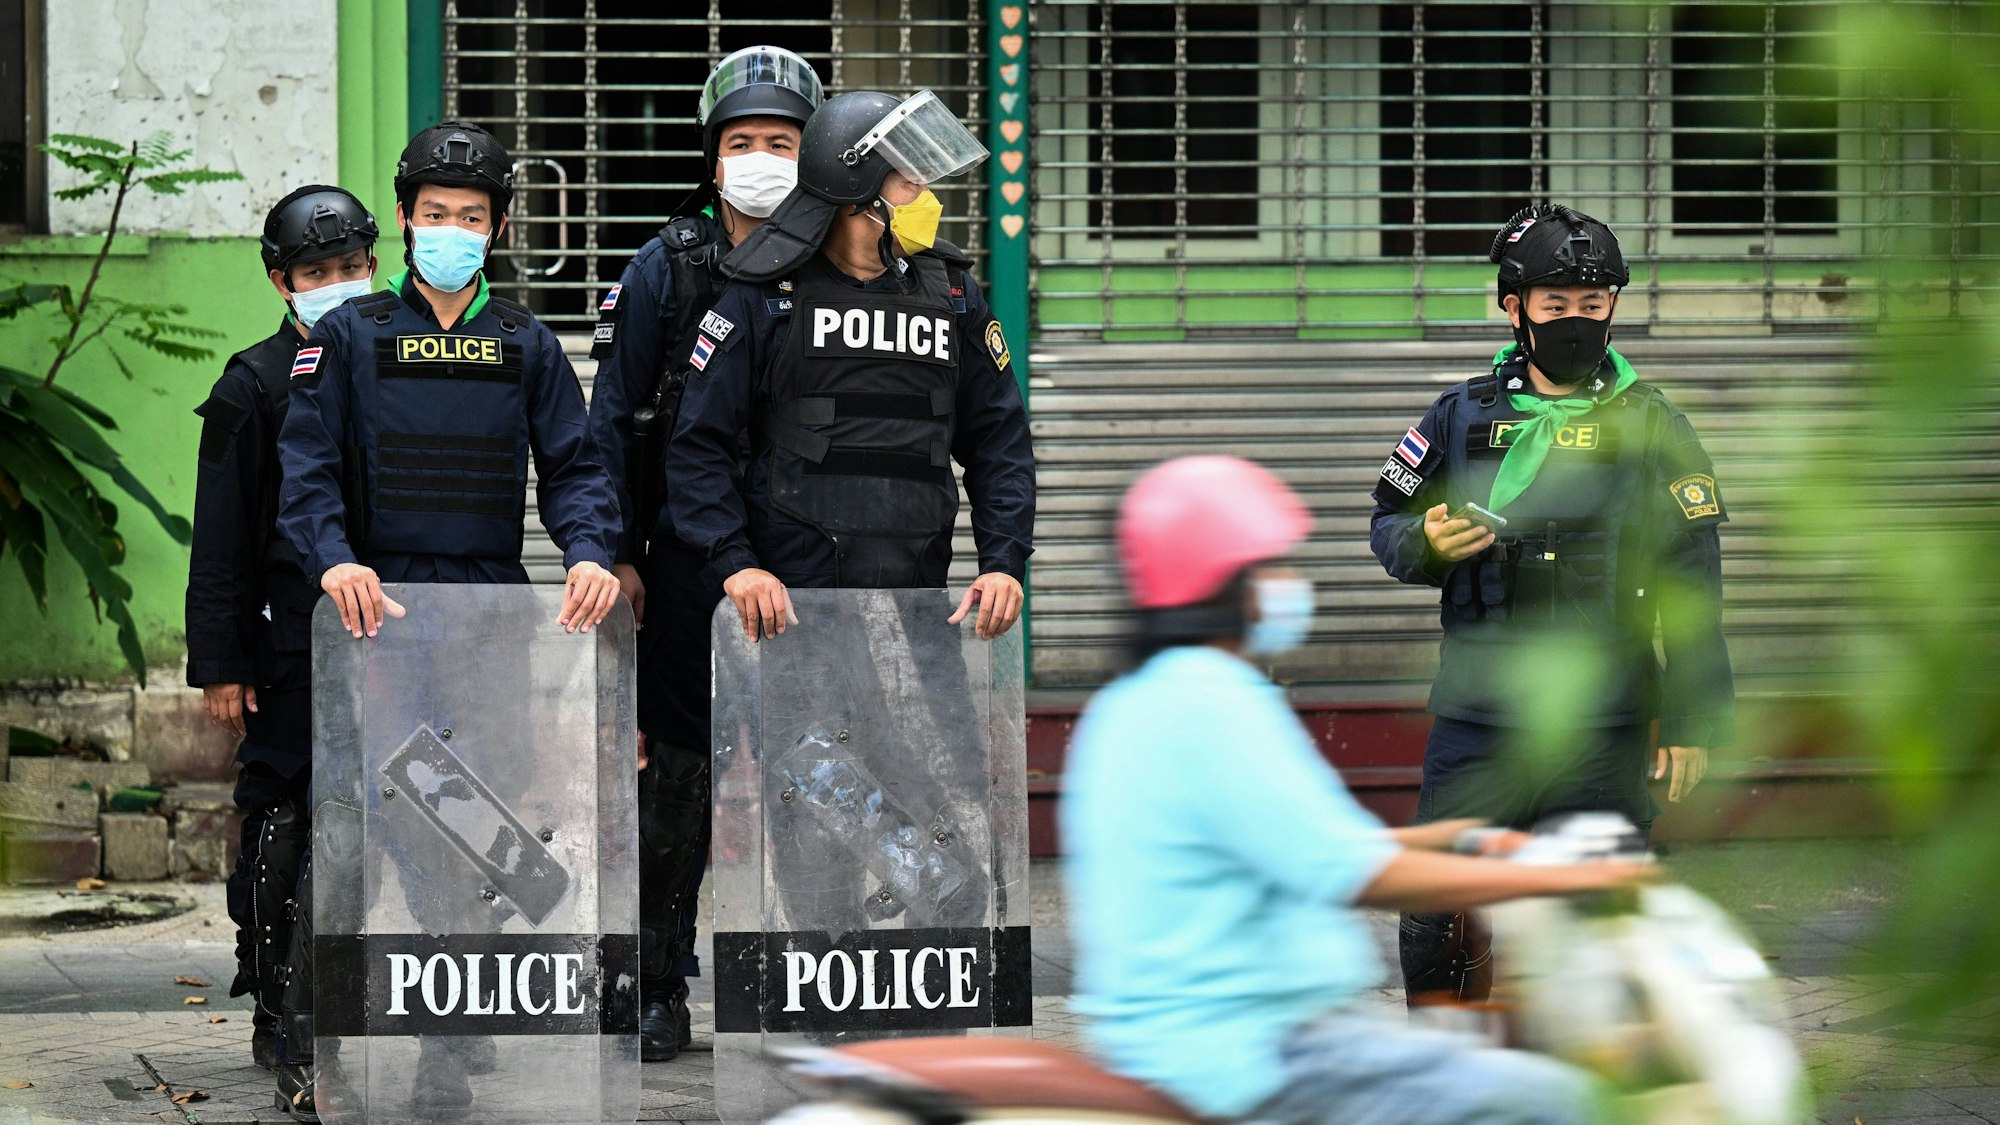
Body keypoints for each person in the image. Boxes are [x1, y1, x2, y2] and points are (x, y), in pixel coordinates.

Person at [1064, 454, 1649, 1125]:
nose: (1291, 583)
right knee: (1559, 1101)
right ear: (1226, 584)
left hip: (1185, 1043)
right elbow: (1355, 872)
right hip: (1263, 1053)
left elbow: (1306, 845)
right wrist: (1563, 877)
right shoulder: (1213, 703)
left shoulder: (1135, 702)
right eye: (1273, 566)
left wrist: (1458, 838)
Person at [274, 120, 623, 1120]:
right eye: (436, 213)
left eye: (472, 216)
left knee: (475, 827)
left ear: (498, 227)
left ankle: (448, 1039)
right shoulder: (348, 338)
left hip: (485, 619)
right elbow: (307, 471)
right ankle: (318, 1037)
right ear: (404, 218)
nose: (452, 230)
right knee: (370, 824)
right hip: (380, 622)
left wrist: (589, 552)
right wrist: (334, 558)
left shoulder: (524, 344)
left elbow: (576, 469)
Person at [1368, 204, 1734, 1007]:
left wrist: (1693, 715)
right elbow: (1386, 521)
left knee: (1602, 927)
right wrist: (1427, 540)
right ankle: (1452, 1057)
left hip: (1604, 719)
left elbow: (1693, 580)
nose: (1576, 320)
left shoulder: (1653, 424)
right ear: (1515, 307)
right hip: (1478, 713)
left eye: (1593, 304)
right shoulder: (1459, 415)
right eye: (1556, 303)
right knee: (1438, 913)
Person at [583, 45, 822, 1062]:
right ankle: (654, 984)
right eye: (744, 142)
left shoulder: (841, 262)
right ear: (712, 156)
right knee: (677, 775)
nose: (762, 159)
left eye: (782, 143)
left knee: (816, 770)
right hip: (686, 560)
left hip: (810, 562)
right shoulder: (667, 265)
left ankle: (817, 979)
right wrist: (614, 549)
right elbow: (611, 420)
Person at [667, 88, 1034, 640]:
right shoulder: (764, 296)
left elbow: (1000, 442)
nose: (926, 197)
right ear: (857, 191)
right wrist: (737, 564)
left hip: (919, 604)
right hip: (793, 610)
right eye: (909, 182)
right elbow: (698, 444)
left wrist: (1003, 562)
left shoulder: (953, 294)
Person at [186, 185, 378, 1085]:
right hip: (286, 644)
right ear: (281, 281)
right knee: (283, 817)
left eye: (351, 267)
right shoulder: (251, 384)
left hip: (385, 635)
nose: (337, 283)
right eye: (316, 271)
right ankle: (275, 1004)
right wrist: (221, 664)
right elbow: (220, 539)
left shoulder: (393, 362)